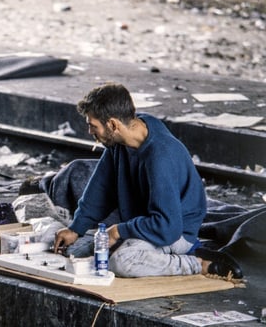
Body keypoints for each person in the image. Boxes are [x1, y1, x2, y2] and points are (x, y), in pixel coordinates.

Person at [49, 83, 243, 279]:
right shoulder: (120, 141)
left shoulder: (161, 156)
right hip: (143, 225)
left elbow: (167, 226)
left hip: (174, 233)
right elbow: (100, 190)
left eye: (93, 125)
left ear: (113, 125)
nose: (90, 131)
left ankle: (197, 262)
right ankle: (152, 253)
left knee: (122, 262)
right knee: (74, 252)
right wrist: (76, 228)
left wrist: (118, 231)